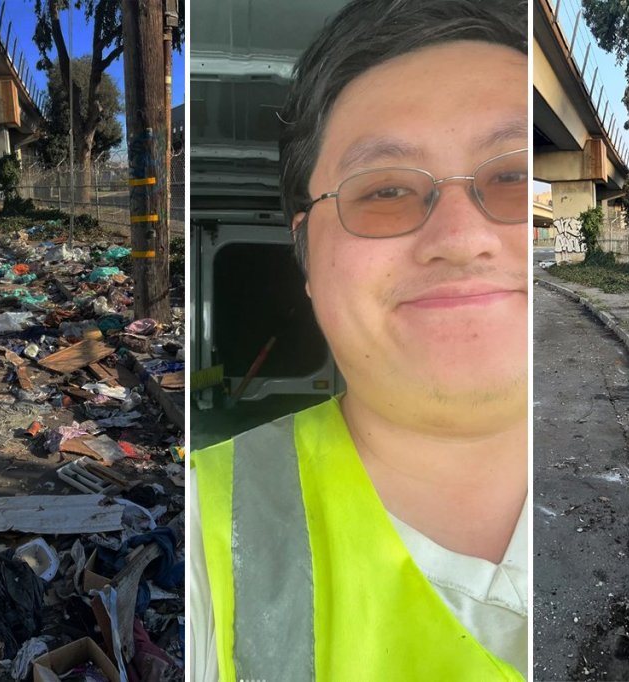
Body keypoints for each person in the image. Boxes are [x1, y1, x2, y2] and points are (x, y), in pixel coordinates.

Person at [191, 0, 528, 679]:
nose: (462, 239)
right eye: (385, 191)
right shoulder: (201, 531)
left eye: (513, 177)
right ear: (306, 254)